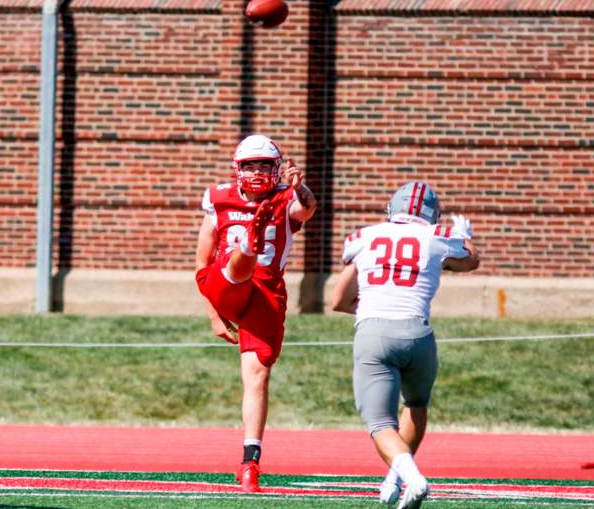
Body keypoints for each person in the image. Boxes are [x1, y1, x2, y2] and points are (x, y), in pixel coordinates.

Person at [331, 181, 479, 509]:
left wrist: (373, 302)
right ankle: (395, 479)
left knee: (380, 423)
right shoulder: (439, 237)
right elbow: (470, 261)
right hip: (419, 335)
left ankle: (412, 478)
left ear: (391, 209)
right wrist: (465, 236)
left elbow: (339, 299)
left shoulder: (364, 237)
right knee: (416, 405)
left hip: (374, 333)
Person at [195, 135, 317, 493]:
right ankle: (248, 244)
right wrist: (214, 316)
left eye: (265, 164)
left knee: (258, 373)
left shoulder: (288, 197)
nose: (258, 171)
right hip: (224, 281)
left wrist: (302, 186)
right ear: (238, 168)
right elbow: (201, 263)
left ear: (276, 168)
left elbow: (307, 209)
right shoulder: (218, 198)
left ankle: (250, 462)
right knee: (237, 264)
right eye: (251, 165)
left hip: (267, 291)